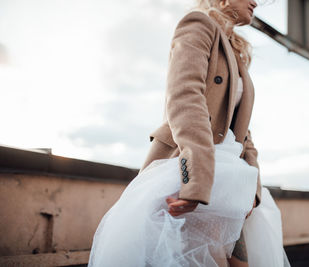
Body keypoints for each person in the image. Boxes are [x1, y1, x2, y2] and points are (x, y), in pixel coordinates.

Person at [88, 0, 291, 266]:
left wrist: (251, 187)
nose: (255, 2)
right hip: (192, 168)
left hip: (228, 176)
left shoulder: (235, 50)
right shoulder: (198, 25)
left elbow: (242, 129)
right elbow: (184, 98)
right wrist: (196, 180)